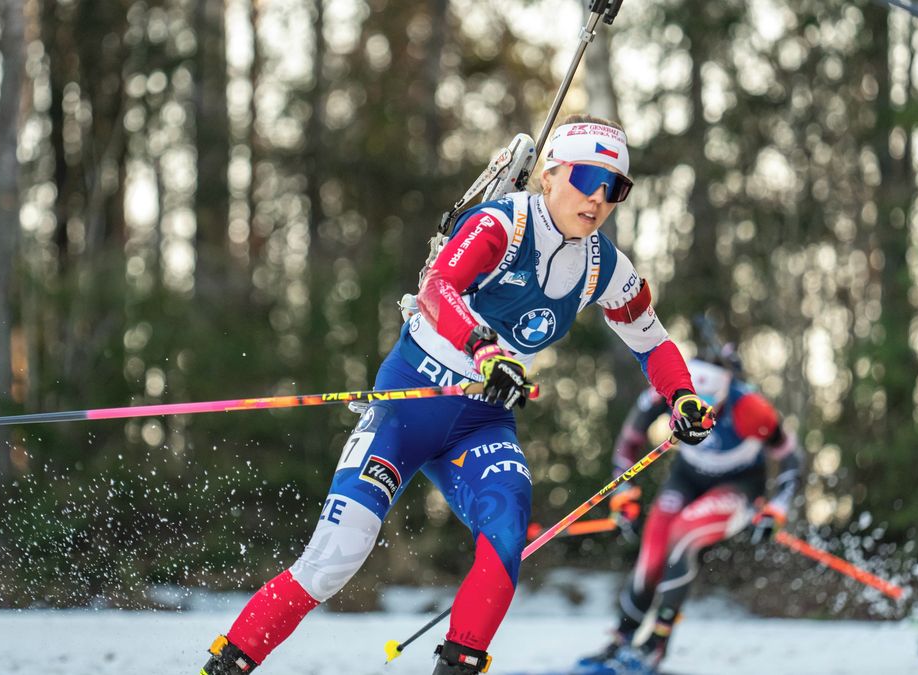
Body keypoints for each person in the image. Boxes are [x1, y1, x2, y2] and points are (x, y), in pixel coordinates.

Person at [200, 115, 716, 675]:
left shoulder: (605, 266)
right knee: (332, 562)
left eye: (612, 187)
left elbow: (652, 341)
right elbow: (437, 287)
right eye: (586, 177)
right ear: (549, 175)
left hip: (482, 422)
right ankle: (225, 667)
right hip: (409, 406)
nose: (596, 197)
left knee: (506, 532)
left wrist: (682, 397)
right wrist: (484, 347)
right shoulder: (504, 224)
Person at [575, 349, 803, 675]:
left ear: (724, 390)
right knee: (652, 554)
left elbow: (791, 457)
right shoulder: (669, 389)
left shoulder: (750, 408)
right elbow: (629, 442)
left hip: (739, 485)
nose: (699, 406)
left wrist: (779, 506)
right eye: (693, 398)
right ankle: (621, 641)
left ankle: (655, 644)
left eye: (709, 399)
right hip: (686, 478)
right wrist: (624, 495)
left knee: (684, 533)